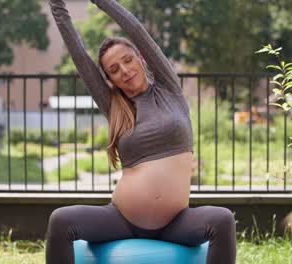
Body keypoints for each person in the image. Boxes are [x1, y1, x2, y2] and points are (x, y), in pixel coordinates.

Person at [46, 0, 237, 263]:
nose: (124, 70)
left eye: (127, 60)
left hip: (175, 224)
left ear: (141, 57)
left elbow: (135, 28)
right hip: (122, 220)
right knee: (60, 220)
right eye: (114, 70)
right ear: (109, 81)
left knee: (222, 220)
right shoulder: (114, 106)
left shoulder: (170, 89)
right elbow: (77, 53)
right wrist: (57, 5)